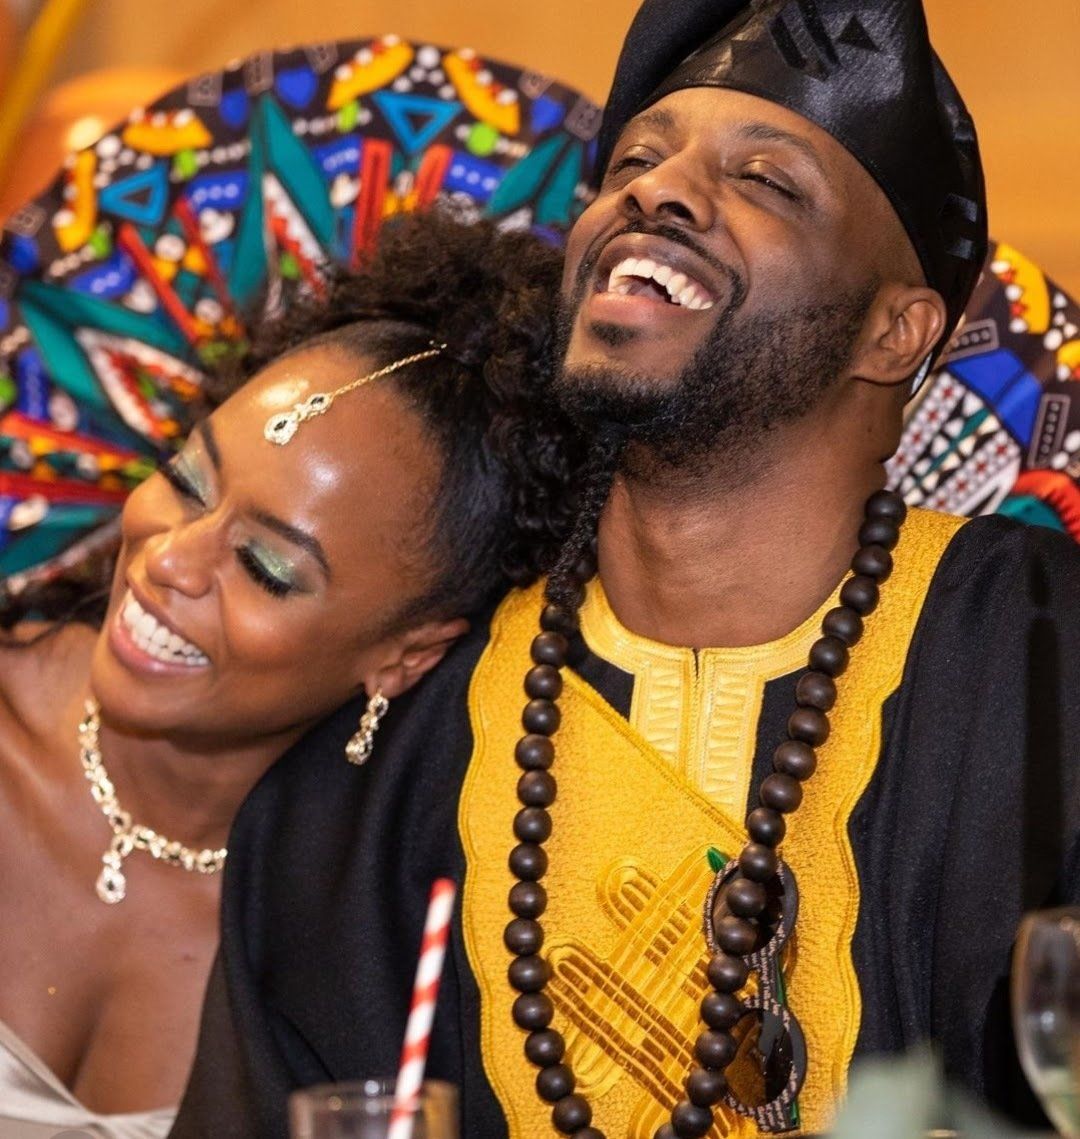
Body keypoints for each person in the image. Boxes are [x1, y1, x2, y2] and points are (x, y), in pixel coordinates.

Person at [171, 3, 1080, 1138]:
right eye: (636, 162)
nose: (658, 192)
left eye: (766, 180)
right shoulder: (367, 801)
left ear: (893, 335)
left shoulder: (1044, 667)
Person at [0, 209, 579, 1137]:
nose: (170, 559)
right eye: (187, 480)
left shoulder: (378, 938)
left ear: (405, 655)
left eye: (266, 567)